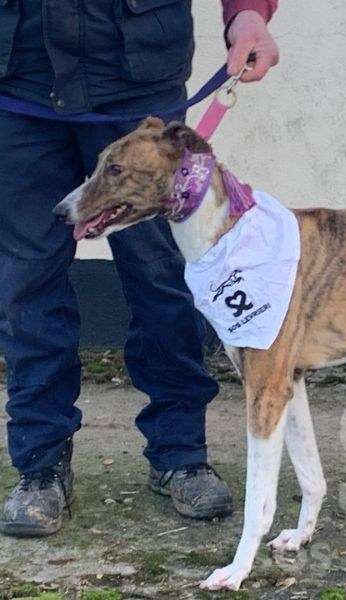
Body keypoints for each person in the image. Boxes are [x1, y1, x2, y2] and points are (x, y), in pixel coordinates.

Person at [0, 0, 279, 537]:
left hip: (134, 78)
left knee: (163, 279)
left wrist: (247, 12)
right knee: (25, 284)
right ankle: (40, 465)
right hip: (20, 83)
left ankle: (181, 453)